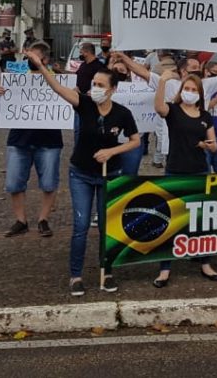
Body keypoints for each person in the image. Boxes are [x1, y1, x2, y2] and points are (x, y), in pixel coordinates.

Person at [37, 64, 140, 296]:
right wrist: (41, 66)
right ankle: (76, 275)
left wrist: (112, 152)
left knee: (107, 226)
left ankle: (108, 271)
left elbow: (135, 141)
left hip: (109, 174)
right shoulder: (84, 104)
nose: (95, 88)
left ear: (112, 89)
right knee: (81, 226)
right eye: (94, 84)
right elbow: (57, 87)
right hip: (81, 173)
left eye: (101, 85)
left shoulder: (122, 113)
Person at [119, 52, 217, 170]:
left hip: (200, 143)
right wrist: (123, 57)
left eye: (198, 67)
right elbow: (142, 72)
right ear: (183, 71)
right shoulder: (169, 84)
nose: (198, 70)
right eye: (194, 68)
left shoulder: (207, 84)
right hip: (175, 145)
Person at [152, 70, 217, 286]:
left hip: (199, 169)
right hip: (175, 169)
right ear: (181, 91)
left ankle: (205, 263)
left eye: (193, 90)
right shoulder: (173, 110)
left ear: (200, 94)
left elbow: (215, 146)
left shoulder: (205, 116)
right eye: (186, 89)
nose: (189, 92)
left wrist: (206, 146)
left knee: (201, 221)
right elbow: (158, 108)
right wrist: (162, 81)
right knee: (170, 222)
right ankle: (164, 269)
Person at [3, 42, 63, 238]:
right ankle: (21, 220)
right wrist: (2, 92)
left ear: (44, 59)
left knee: (49, 182)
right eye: (28, 57)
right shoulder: (19, 78)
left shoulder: (56, 80)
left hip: (49, 140)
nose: (30, 60)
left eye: (34, 57)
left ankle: (43, 219)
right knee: (14, 183)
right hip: (19, 138)